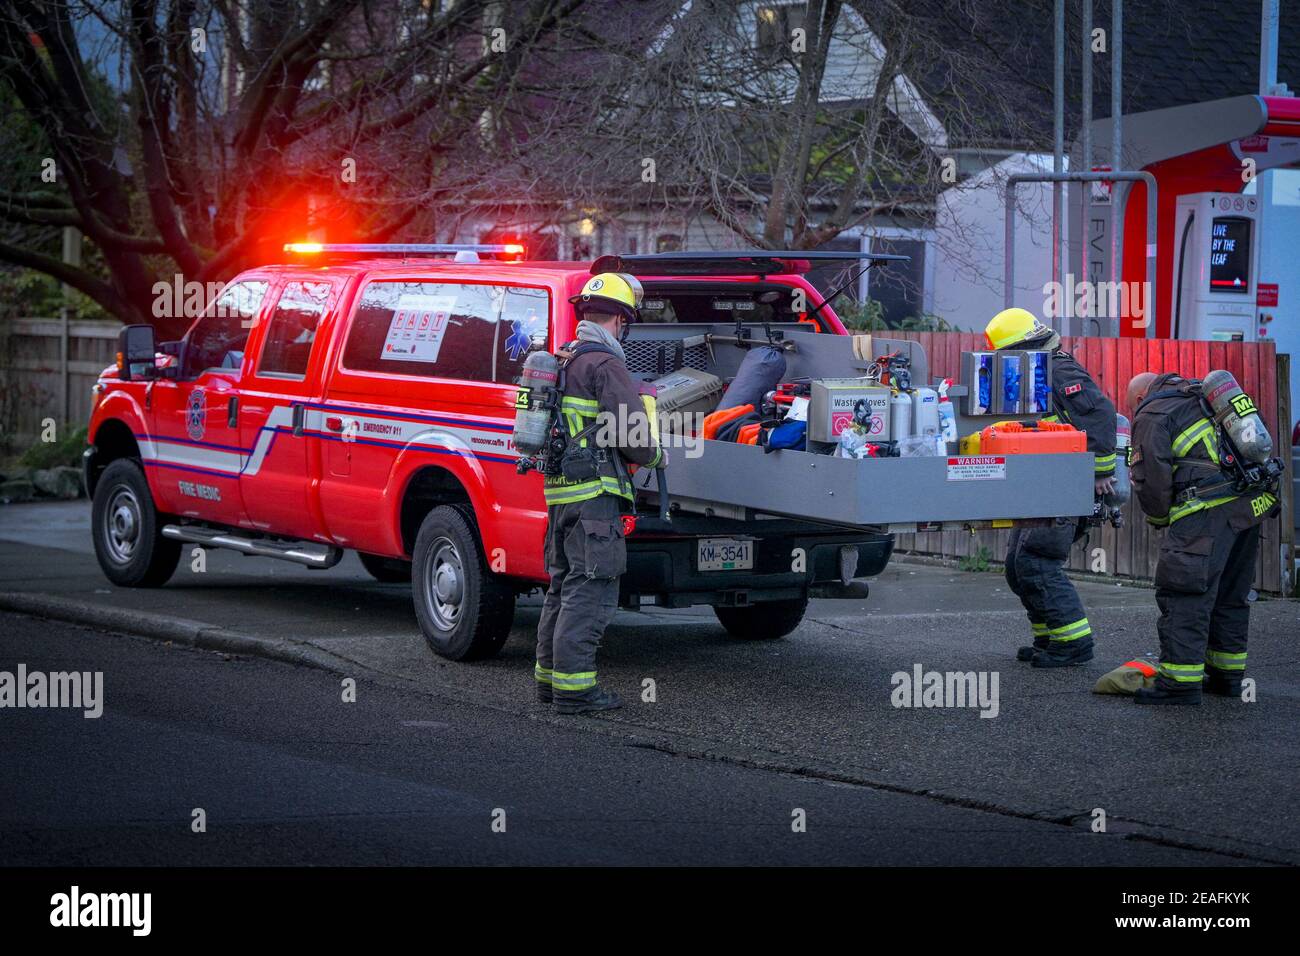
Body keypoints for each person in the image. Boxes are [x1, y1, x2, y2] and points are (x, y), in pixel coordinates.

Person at [534, 273, 662, 715]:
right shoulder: (606, 365)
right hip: (595, 500)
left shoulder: (563, 358)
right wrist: (654, 451)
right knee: (591, 590)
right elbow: (637, 442)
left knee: (563, 587)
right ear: (621, 320)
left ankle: (550, 682)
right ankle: (575, 691)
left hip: (560, 495)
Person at [1125, 371, 1279, 705]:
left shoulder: (1152, 413)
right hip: (1250, 506)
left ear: (1139, 399)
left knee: (1184, 592)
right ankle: (1226, 677)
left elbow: (1150, 478)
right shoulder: (1204, 397)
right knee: (1230, 594)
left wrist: (1159, 517)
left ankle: (1180, 683)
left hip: (1205, 513)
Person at [983, 308, 1117, 667]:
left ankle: (1073, 644)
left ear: (1022, 347)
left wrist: (1098, 473)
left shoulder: (1060, 371)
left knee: (1036, 563)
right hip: (1041, 483)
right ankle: (1050, 636)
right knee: (1017, 565)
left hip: (1066, 483)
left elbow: (1101, 416)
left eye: (1006, 354)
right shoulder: (1037, 371)